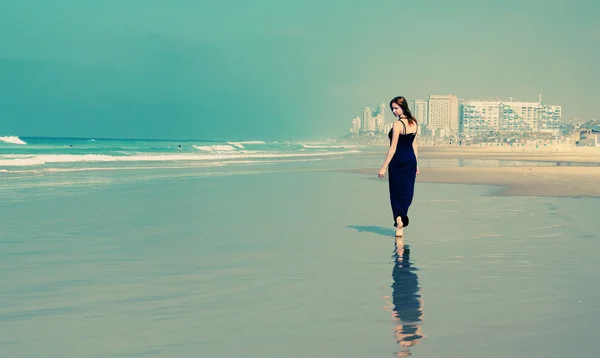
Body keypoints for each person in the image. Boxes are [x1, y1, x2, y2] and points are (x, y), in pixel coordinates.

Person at [378, 96, 419, 237]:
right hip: (410, 160)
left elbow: (393, 148)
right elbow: (414, 144)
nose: (394, 111)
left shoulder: (397, 125)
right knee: (407, 192)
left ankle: (399, 219)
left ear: (403, 107)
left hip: (398, 161)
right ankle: (401, 223)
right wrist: (416, 164)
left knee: (395, 193)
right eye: (392, 109)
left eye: (396, 108)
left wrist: (383, 167)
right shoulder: (414, 123)